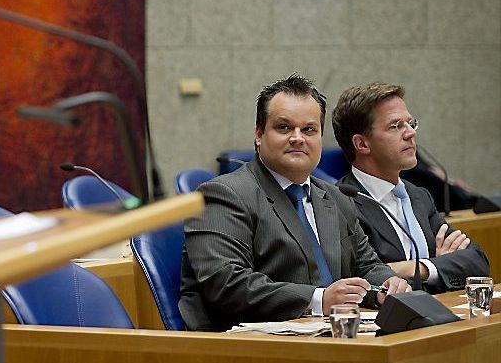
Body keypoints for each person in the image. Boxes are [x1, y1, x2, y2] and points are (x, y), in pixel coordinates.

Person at [179, 74, 409, 332]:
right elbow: (225, 283)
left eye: (309, 129)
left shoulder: (336, 198)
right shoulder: (223, 194)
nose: (298, 138)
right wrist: (319, 299)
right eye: (284, 127)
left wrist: (387, 285)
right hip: (249, 350)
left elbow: (366, 266)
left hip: (331, 338)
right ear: (259, 133)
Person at [333, 83, 489, 292]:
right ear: (362, 144)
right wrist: (439, 265)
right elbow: (366, 277)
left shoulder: (418, 196)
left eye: (411, 123)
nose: (410, 134)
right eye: (395, 126)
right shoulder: (341, 202)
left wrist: (418, 267)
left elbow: (477, 261)